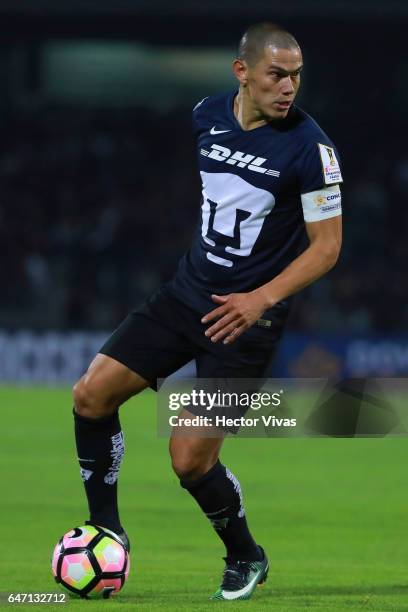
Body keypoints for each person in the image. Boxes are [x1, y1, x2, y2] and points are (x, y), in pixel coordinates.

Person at [72, 22, 343, 601]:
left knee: (189, 459)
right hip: (186, 295)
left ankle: (246, 555)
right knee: (90, 395)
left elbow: (327, 247)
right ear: (242, 72)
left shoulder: (312, 149)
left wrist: (260, 299)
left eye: (296, 75)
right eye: (277, 74)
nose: (289, 87)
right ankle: (107, 529)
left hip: (249, 321)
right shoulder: (205, 114)